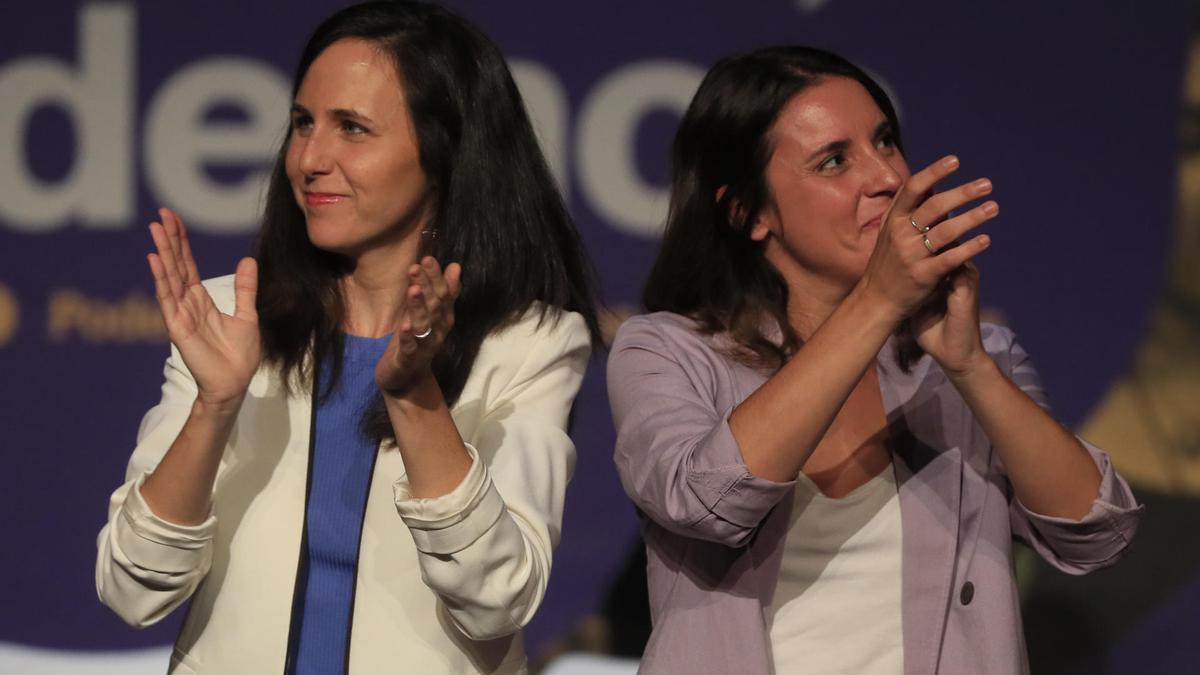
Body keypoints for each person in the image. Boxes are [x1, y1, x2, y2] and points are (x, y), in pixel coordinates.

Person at [95, 2, 600, 673]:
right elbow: (132, 589)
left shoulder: (530, 342)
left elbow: (495, 597)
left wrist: (416, 396)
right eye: (303, 123)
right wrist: (215, 405)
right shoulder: (231, 317)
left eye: (352, 128)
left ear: (444, 152)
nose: (310, 158)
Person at [607, 46, 1143, 674]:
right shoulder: (668, 350)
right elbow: (707, 504)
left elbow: (1097, 534)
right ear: (747, 212)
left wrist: (970, 368)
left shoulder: (970, 356)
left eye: (885, 142)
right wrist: (878, 302)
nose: (885, 177)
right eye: (834, 161)